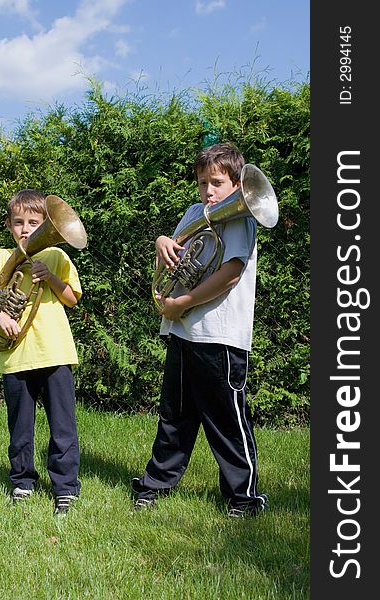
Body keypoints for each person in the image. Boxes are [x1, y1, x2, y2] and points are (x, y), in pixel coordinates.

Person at [132, 142, 267, 517]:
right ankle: (155, 484)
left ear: (238, 185)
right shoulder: (196, 212)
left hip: (220, 337)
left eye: (218, 183)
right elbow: (178, 251)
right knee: (174, 416)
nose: (209, 191)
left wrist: (184, 302)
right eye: (203, 182)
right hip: (183, 332)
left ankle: (244, 498)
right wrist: (162, 242)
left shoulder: (240, 216)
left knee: (227, 419)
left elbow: (230, 273)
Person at [0, 189, 82, 516]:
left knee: (63, 425)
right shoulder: (0, 258)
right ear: (9, 225)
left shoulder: (56, 256)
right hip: (16, 355)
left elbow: (72, 298)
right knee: (20, 426)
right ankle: (22, 481)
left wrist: (53, 280)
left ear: (46, 223)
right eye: (19, 222)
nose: (26, 229)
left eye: (34, 222)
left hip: (55, 352)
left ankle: (66, 488)